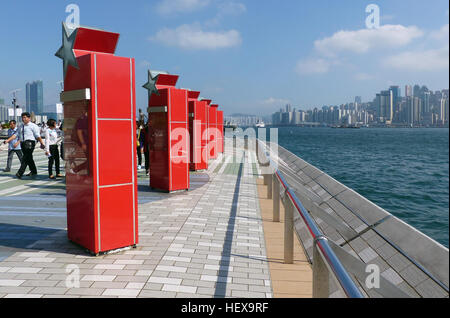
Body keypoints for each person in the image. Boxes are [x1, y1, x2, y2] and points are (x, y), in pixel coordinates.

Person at [16, 112, 45, 179]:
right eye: (22, 117)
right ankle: (33, 171)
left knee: (25, 158)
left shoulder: (33, 126)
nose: (23, 119)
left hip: (30, 143)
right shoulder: (21, 126)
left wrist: (41, 143)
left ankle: (20, 173)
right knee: (29, 158)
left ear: (29, 118)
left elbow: (37, 135)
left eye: (25, 117)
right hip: (23, 143)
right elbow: (18, 135)